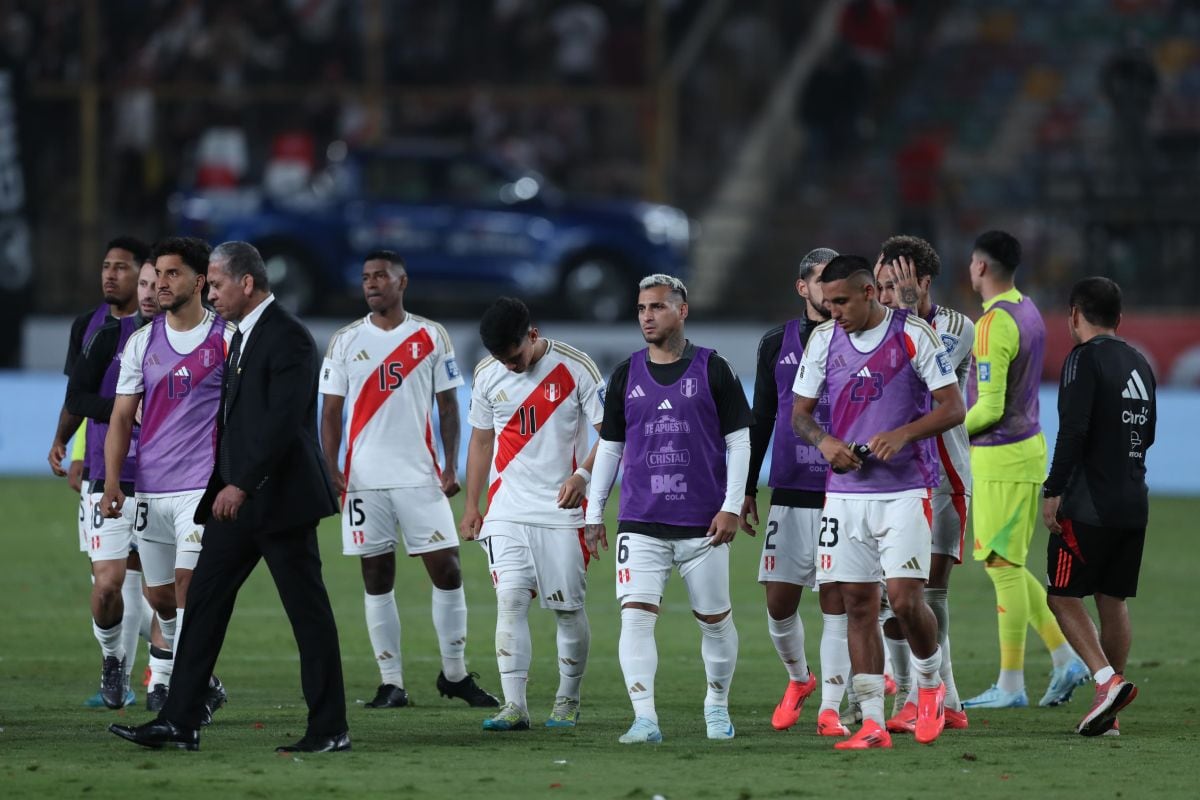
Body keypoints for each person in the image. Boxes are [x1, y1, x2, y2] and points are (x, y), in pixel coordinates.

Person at [109, 241, 348, 753]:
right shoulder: (243, 335)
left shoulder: (289, 338)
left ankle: (330, 728)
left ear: (246, 283)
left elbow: (282, 425)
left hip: (280, 503)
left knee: (308, 616)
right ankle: (180, 721)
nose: (210, 294)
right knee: (202, 605)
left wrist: (242, 483)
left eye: (215, 285)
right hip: (237, 503)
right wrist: (229, 485)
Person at [792, 255, 965, 750]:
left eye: (842, 301)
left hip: (906, 489)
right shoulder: (823, 340)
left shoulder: (914, 335)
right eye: (828, 304)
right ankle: (871, 723)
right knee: (858, 605)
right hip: (845, 495)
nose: (834, 312)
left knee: (908, 600)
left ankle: (929, 687)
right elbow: (800, 414)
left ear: (870, 292)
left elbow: (954, 407)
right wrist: (825, 443)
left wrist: (903, 434)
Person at [319, 250, 496, 710]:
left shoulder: (430, 335)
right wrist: (331, 466)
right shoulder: (344, 341)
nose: (371, 283)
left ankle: (454, 674)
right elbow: (331, 412)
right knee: (376, 576)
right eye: (365, 278)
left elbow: (450, 405)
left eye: (381, 276)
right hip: (363, 481)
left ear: (402, 282)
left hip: (420, 477)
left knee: (449, 570)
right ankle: (391, 682)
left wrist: (448, 463)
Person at [585, 274, 752, 744]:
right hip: (640, 521)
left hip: (703, 524)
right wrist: (594, 513)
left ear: (682, 310)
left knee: (715, 621)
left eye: (657, 307)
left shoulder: (713, 369)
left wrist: (731, 506)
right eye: (641, 308)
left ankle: (716, 708)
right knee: (635, 616)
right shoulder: (625, 374)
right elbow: (610, 449)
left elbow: (739, 443)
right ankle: (645, 719)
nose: (647, 316)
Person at [101, 237, 233, 719]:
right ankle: (204, 679)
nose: (159, 284)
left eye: (171, 274)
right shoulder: (142, 342)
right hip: (151, 487)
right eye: (156, 275)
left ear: (199, 281)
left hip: (201, 487)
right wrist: (114, 482)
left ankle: (186, 688)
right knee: (159, 597)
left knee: (185, 588)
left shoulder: (226, 338)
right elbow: (120, 418)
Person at [461, 297, 604, 731]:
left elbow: (615, 435)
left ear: (533, 335)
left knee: (566, 610)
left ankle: (567, 699)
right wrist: (473, 505)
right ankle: (514, 706)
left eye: (516, 356)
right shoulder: (488, 375)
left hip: (562, 511)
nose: (510, 366)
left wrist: (582, 476)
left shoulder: (577, 368)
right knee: (509, 603)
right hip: (507, 509)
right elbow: (482, 441)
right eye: (502, 359)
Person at [962, 231, 1088, 710]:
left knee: (1001, 567)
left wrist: (938, 431)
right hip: (1024, 449)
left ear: (979, 267)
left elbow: (990, 406)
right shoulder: (1028, 309)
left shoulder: (993, 324)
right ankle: (1064, 656)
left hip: (1002, 455)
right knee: (1009, 564)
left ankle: (1011, 684)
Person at [740, 247, 853, 737]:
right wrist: (745, 487)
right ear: (801, 287)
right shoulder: (776, 343)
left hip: (842, 492)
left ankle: (830, 705)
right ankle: (799, 680)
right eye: (819, 281)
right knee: (779, 603)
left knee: (836, 601)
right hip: (788, 489)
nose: (828, 290)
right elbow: (762, 416)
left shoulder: (858, 337)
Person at [1042, 277, 1153, 737]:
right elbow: (1147, 435)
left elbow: (1073, 430)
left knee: (1062, 596)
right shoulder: (1139, 362)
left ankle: (1107, 682)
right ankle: (1109, 711)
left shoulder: (1082, 359)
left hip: (1090, 503)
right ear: (1120, 319)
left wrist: (1053, 488)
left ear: (1073, 315)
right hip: (1134, 500)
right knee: (1113, 600)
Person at [873, 236, 972, 733]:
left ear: (922, 283)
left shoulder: (957, 327)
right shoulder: (874, 330)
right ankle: (925, 697)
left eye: (893, 286)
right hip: (887, 479)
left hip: (941, 475)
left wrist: (907, 312)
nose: (885, 296)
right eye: (880, 286)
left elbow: (920, 377)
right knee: (889, 596)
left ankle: (934, 698)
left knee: (927, 594)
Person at [56, 237, 147, 709]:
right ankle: (124, 666)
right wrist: (67, 444)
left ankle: (143, 677)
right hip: (103, 470)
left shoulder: (161, 327)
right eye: (106, 267)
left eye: (122, 268)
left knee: (144, 583)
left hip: (158, 475)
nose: (110, 275)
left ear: (143, 275)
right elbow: (79, 393)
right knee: (109, 583)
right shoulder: (89, 328)